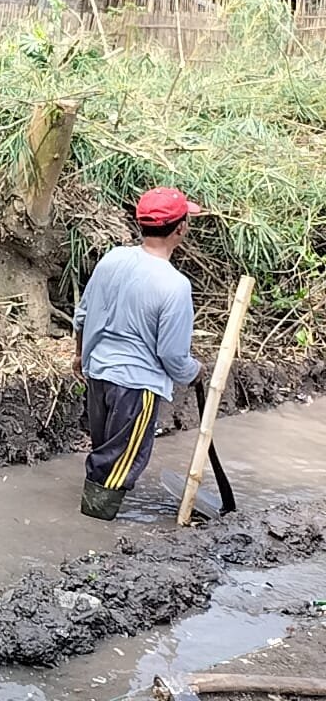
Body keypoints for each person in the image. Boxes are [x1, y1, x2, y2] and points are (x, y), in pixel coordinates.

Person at [72, 187, 205, 521]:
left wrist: (80, 356)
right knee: (119, 461)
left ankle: (92, 518)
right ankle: (94, 532)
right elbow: (173, 355)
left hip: (99, 373)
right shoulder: (174, 286)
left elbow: (83, 316)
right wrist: (195, 372)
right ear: (181, 229)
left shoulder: (113, 258)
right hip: (136, 387)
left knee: (106, 450)